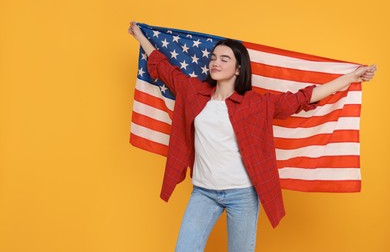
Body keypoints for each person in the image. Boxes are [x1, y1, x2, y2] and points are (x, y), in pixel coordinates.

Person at [128, 21, 376, 252]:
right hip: (203, 192)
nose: (215, 62)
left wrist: (351, 78)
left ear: (238, 68)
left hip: (242, 195)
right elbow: (163, 67)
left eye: (224, 59)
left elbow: (302, 98)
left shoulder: (255, 103)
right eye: (214, 57)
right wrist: (140, 35)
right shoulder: (193, 92)